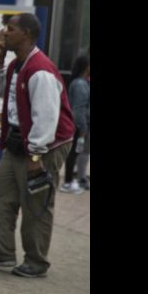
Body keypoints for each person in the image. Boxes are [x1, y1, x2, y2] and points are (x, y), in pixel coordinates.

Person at [0, 13, 75, 278]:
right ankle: (3, 250)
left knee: (35, 201)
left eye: (11, 28)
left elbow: (47, 117)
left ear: (26, 34)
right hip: (19, 141)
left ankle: (36, 261)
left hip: (45, 144)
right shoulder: (16, 64)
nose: (5, 32)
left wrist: (36, 156)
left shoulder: (40, 70)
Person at [59, 55, 90, 193]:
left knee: (75, 152)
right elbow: (79, 109)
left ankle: (70, 181)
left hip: (76, 125)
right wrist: (82, 128)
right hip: (77, 126)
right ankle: (68, 182)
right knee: (73, 153)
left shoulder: (79, 82)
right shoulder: (80, 84)